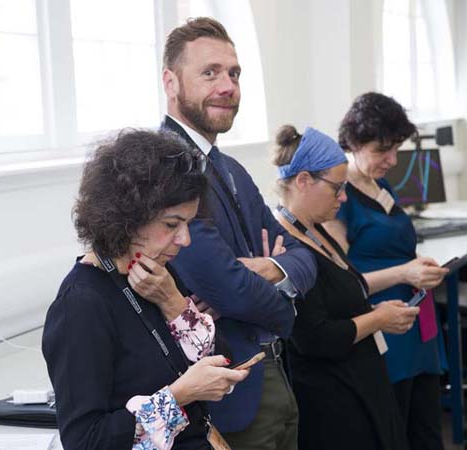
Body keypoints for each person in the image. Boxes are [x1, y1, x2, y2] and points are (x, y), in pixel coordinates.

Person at [160, 17, 317, 449]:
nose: (227, 85)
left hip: (274, 373)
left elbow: (304, 258)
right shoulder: (167, 169)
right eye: (209, 73)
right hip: (227, 391)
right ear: (171, 83)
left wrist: (268, 266)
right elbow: (228, 287)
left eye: (234, 73)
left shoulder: (231, 171)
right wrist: (286, 307)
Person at [42, 129, 250, 450]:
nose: (185, 240)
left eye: (188, 224)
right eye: (171, 225)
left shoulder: (157, 273)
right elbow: (85, 441)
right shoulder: (81, 304)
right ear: (128, 217)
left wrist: (173, 303)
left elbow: (223, 359)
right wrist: (180, 395)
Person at [272, 125, 421, 450]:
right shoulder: (285, 251)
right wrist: (378, 319)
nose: (343, 197)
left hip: (361, 379)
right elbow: (315, 338)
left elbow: (344, 291)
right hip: (333, 399)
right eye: (337, 188)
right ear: (303, 181)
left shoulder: (315, 230)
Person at [325, 92, 449, 450]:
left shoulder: (381, 185)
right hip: (384, 326)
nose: (392, 160)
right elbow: (343, 284)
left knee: (426, 427)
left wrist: (418, 266)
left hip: (416, 322)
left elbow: (394, 247)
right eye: (382, 151)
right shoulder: (338, 197)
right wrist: (403, 274)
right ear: (353, 142)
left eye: (396, 149)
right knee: (395, 431)